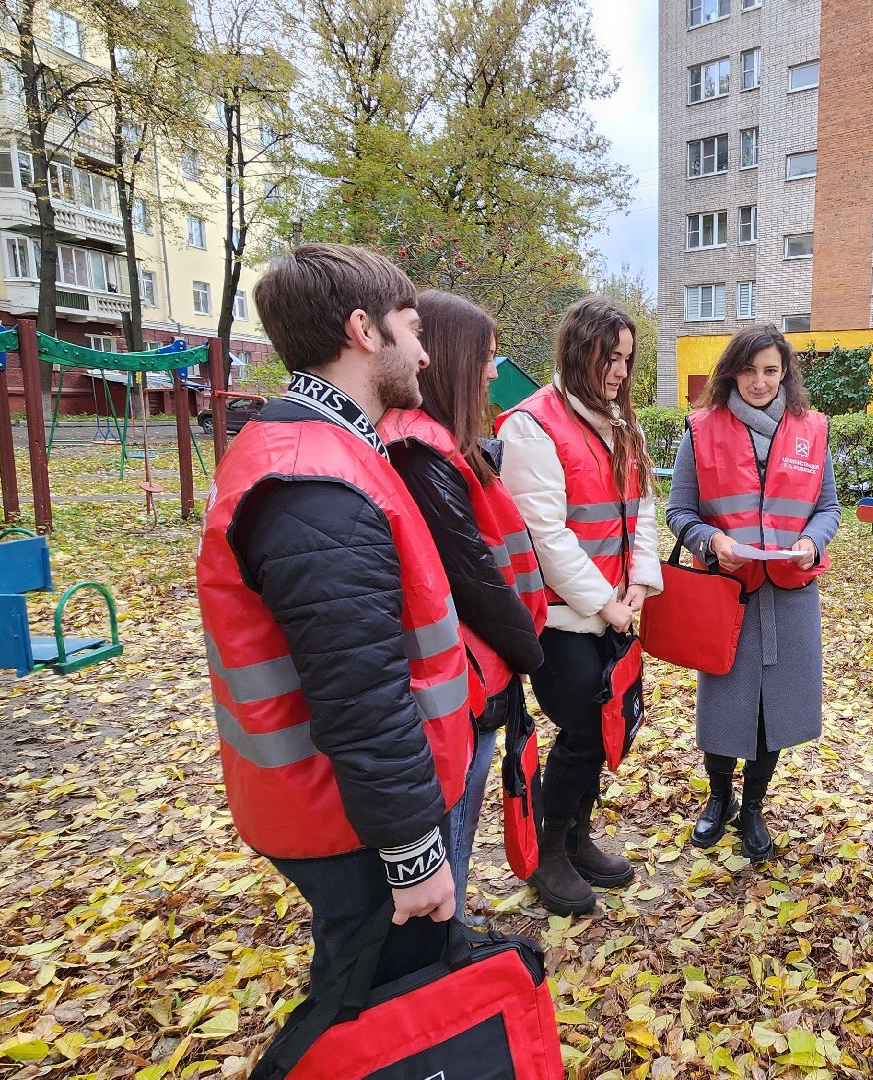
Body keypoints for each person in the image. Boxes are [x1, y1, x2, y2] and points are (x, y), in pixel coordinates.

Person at [196, 244, 474, 994]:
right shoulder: (313, 482)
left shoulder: (325, 448)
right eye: (411, 329)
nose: (422, 351)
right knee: (381, 1009)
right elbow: (360, 695)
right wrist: (412, 851)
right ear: (363, 330)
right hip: (350, 822)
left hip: (351, 809)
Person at [380, 290, 547, 917]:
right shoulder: (422, 455)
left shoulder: (447, 446)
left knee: (463, 812)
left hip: (478, 669)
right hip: (463, 679)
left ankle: (450, 927)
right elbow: (472, 574)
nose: (492, 371)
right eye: (487, 357)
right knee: (454, 812)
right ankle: (444, 943)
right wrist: (532, 651)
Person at [496, 296, 662, 915]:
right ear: (578, 349)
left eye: (626, 358)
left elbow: (640, 509)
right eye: (607, 356)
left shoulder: (622, 423)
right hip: (562, 618)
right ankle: (550, 850)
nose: (619, 371)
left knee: (608, 726)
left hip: (615, 610)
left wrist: (639, 583)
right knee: (586, 727)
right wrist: (606, 603)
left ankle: (576, 836)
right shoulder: (530, 425)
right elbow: (546, 535)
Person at [663, 325, 840, 863]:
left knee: (775, 711)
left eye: (770, 370)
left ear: (785, 370)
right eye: (749, 369)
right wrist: (712, 541)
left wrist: (813, 540)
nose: (760, 381)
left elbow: (829, 508)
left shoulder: (812, 429)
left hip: (791, 591)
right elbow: (679, 513)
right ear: (731, 371)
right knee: (725, 704)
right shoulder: (700, 429)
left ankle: (755, 806)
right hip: (728, 591)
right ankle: (720, 797)